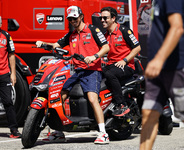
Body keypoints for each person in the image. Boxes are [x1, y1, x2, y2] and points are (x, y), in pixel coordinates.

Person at [36, 6, 110, 144]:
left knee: (92, 98)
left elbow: (106, 47)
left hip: (92, 70)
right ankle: (58, 131)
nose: (73, 21)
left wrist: (94, 56)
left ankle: (103, 133)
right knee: (59, 95)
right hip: (77, 71)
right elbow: (56, 45)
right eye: (70, 19)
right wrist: (43, 44)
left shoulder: (94, 30)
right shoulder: (71, 34)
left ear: (81, 16)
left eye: (75, 18)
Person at [140, 0, 184, 150]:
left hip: (176, 68)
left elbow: (177, 27)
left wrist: (159, 59)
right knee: (149, 115)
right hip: (157, 70)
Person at [100, 7, 141, 116]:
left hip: (127, 66)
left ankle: (121, 105)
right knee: (97, 73)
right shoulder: (105, 35)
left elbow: (137, 48)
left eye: (105, 18)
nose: (102, 20)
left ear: (113, 18)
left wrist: (124, 60)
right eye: (101, 18)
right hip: (111, 65)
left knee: (109, 74)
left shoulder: (124, 31)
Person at [0, 16, 21, 138]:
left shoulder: (6, 36)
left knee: (8, 102)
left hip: (4, 74)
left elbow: (11, 55)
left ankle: (14, 130)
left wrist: (13, 74)